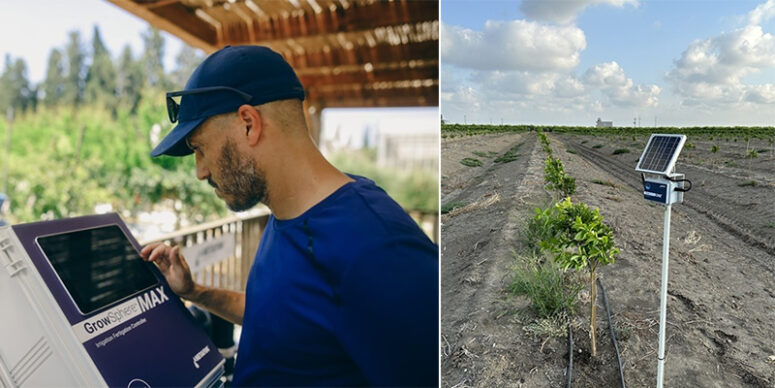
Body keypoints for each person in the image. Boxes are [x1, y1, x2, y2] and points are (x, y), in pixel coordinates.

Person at [139, 45, 438, 387]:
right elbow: (280, 318)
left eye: (199, 149)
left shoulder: (380, 251)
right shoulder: (288, 213)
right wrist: (195, 292)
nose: (200, 172)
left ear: (248, 124)